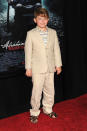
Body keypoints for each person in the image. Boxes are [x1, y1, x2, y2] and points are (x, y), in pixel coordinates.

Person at [25, 7, 62, 123]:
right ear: (35, 20)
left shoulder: (53, 32)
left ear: (48, 19)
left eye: (45, 19)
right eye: (40, 19)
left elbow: (56, 49)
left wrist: (58, 65)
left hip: (50, 67)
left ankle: (48, 109)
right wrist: (28, 68)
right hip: (37, 68)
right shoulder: (30, 34)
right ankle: (35, 112)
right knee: (36, 91)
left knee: (50, 90)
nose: (42, 21)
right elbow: (28, 52)